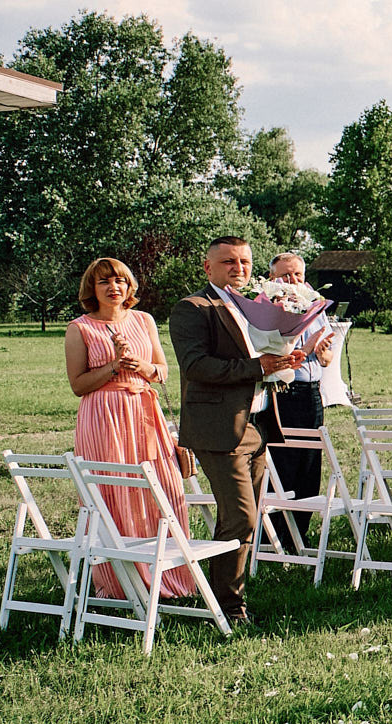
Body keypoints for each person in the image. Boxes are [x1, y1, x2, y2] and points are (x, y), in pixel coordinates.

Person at [171, 236, 303, 624]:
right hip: (219, 428)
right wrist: (259, 367)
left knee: (248, 516)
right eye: (228, 262)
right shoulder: (193, 308)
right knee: (241, 517)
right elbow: (197, 366)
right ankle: (227, 606)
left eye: (244, 262)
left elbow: (263, 356)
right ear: (207, 267)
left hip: (260, 424)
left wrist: (282, 363)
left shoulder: (259, 307)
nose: (238, 268)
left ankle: (229, 597)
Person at [67, 257, 198, 602]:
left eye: (121, 281)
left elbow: (163, 371)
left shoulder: (143, 320)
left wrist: (140, 366)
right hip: (104, 415)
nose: (114, 288)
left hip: (145, 411)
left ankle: (172, 579)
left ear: (130, 287)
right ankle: (119, 583)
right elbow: (78, 385)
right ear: (91, 290)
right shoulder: (80, 328)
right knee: (113, 490)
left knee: (164, 486)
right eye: (104, 282)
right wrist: (112, 366)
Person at [253, 251, 336, 545]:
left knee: (310, 463)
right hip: (284, 392)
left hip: (312, 392)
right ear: (272, 278)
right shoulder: (268, 307)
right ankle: (273, 536)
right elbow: (277, 355)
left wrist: (323, 354)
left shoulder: (315, 304)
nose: (292, 281)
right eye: (285, 276)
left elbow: (324, 355)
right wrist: (307, 348)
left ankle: (300, 534)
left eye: (297, 275)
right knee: (283, 463)